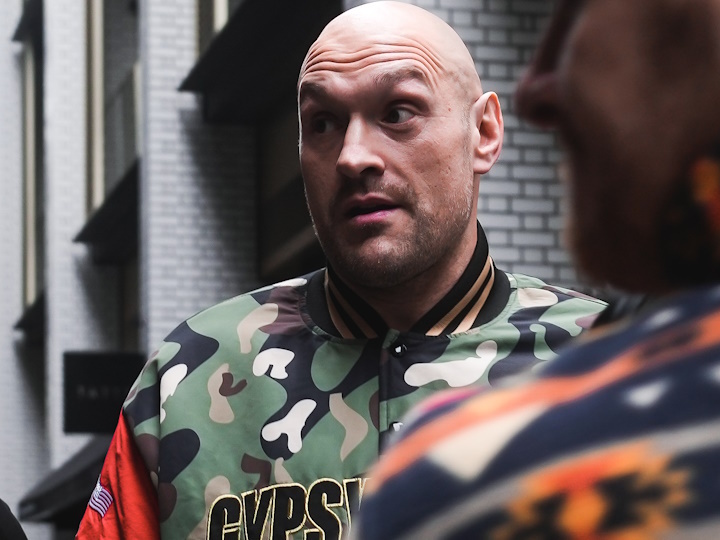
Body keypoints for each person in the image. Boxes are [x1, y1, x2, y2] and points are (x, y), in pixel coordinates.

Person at [75, 2, 605, 539]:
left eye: (398, 112)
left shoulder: (609, 360)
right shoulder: (185, 379)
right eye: (323, 123)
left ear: (484, 133)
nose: (352, 156)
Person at [352, 0, 720, 538]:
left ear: (484, 133)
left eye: (579, 9)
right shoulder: (206, 361)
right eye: (320, 123)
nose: (535, 89)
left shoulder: (455, 479)